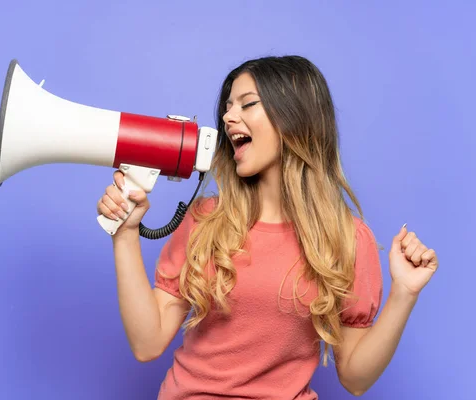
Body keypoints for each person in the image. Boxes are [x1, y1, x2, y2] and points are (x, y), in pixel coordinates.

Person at [96, 55, 439, 399]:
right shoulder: (206, 220)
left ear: (294, 118)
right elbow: (147, 343)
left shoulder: (347, 238)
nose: (229, 117)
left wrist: (404, 294)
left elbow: (355, 378)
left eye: (247, 104)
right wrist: (126, 233)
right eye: (228, 107)